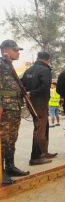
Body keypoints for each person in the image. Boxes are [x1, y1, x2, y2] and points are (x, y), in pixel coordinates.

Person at [0, 40, 30, 185]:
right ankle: (1, 172)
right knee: (3, 140)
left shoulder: (9, 65)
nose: (18, 53)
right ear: (6, 50)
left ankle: (10, 167)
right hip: (4, 107)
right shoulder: (0, 64)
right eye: (15, 50)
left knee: (12, 138)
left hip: (14, 106)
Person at [22, 51, 58, 165]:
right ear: (48, 60)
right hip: (40, 103)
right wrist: (32, 92)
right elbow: (45, 86)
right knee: (40, 129)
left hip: (31, 102)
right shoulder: (45, 70)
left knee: (44, 126)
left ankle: (44, 152)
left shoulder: (28, 70)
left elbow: (22, 84)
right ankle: (36, 157)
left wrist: (29, 93)